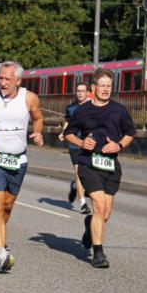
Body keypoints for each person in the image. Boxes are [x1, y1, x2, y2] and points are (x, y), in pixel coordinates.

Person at [63, 68, 136, 269]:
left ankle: (90, 227)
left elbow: (130, 133)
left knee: (105, 214)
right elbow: (69, 133)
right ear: (93, 88)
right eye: (102, 86)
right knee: (99, 205)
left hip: (111, 165)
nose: (105, 89)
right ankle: (98, 253)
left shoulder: (119, 110)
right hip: (88, 163)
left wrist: (119, 145)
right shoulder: (83, 110)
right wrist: (80, 143)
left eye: (108, 86)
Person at [0, 61, 44, 272]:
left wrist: (38, 131)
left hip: (18, 160)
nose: (3, 82)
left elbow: (38, 118)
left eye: (8, 79)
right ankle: (1, 251)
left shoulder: (29, 98)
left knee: (7, 207)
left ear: (18, 80)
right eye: (1, 78)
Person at [59, 81, 92, 215]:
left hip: (90, 144)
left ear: (87, 93)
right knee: (78, 173)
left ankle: (78, 187)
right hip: (74, 144)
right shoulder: (71, 108)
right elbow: (67, 121)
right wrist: (63, 132)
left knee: (89, 173)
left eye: (82, 91)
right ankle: (83, 203)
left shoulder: (93, 107)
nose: (80, 93)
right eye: (78, 91)